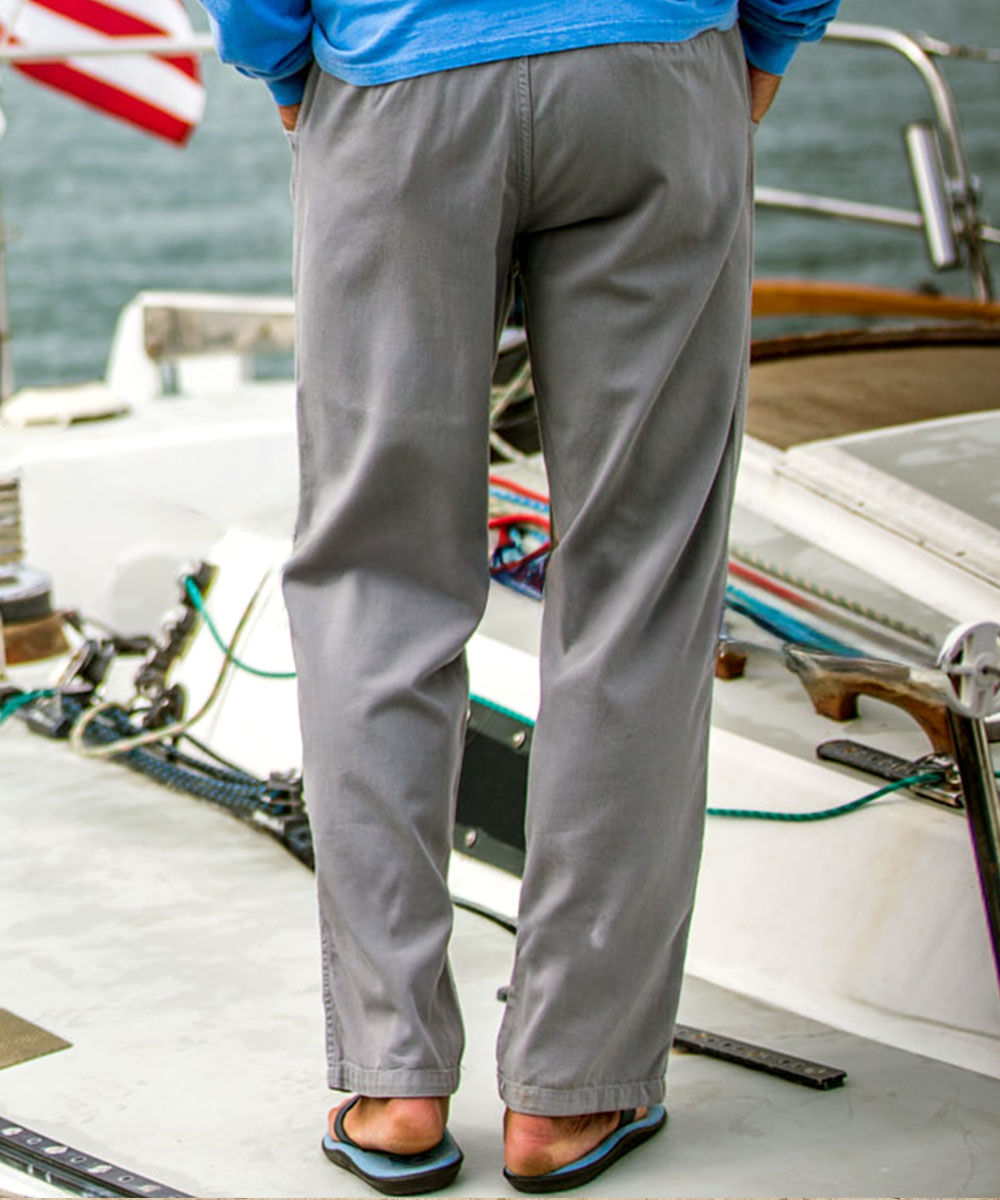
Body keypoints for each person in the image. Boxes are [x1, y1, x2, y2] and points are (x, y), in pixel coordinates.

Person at [200, 0, 840, 1192]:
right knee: (638, 586)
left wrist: (280, 61)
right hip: (654, 72)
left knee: (375, 586)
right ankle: (573, 1088)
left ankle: (393, 1079)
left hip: (396, 86)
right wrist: (767, 40)